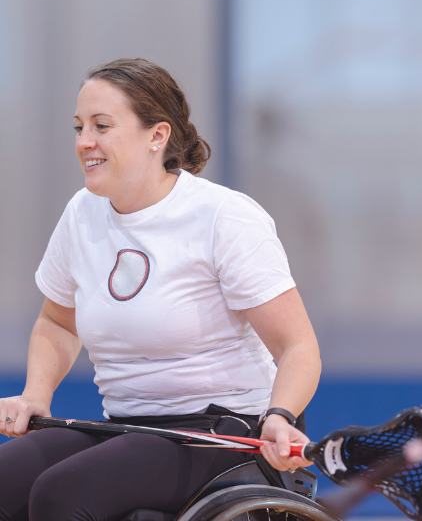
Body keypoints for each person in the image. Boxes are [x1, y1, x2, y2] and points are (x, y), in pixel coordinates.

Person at [0, 58, 320, 519]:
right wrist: (35, 395)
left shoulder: (223, 217)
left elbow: (298, 346)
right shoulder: (82, 213)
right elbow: (56, 321)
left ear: (157, 136)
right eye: (79, 127)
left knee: (62, 495)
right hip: (127, 426)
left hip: (222, 432)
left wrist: (281, 415)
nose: (84, 142)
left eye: (102, 126)